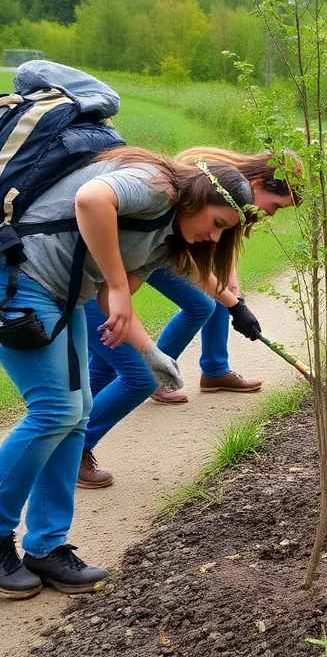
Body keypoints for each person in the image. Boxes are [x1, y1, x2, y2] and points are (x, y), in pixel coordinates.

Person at [0, 147, 254, 598]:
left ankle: (46, 547)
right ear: (198, 197)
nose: (214, 239)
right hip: (20, 281)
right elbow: (92, 199)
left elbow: (114, 303)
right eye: (217, 224)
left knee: (77, 415)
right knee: (55, 410)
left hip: (64, 296)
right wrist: (116, 285)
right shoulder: (155, 185)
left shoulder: (166, 237)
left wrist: (152, 352)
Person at [77, 148, 300, 489]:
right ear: (257, 185)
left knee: (123, 351)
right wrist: (233, 303)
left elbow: (211, 252)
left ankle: (203, 370)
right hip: (104, 269)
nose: (272, 214)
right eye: (276, 205)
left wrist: (232, 296)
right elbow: (194, 259)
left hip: (126, 265)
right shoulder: (211, 192)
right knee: (135, 369)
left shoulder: (225, 210)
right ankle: (75, 445)